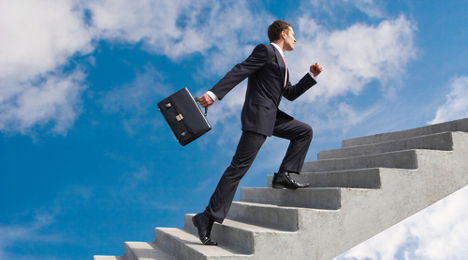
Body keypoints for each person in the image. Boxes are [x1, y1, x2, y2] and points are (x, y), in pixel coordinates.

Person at [192, 20, 323, 246]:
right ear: (283, 34)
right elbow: (240, 70)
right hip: (258, 117)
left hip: (271, 117)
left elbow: (289, 93)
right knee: (238, 168)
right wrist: (213, 95)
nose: (295, 38)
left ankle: (283, 175)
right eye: (293, 34)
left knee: (304, 132)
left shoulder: (282, 62)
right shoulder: (265, 51)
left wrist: (310, 77)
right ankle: (207, 217)